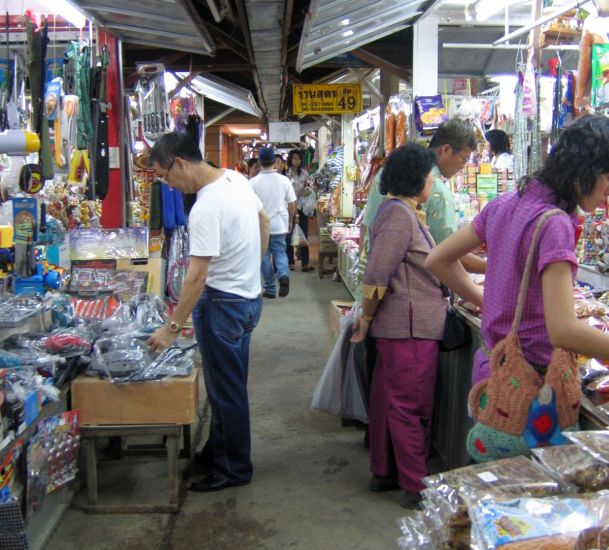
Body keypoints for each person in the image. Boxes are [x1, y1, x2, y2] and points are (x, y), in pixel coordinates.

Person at [426, 115, 609, 453]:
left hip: (491, 369)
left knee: (495, 479)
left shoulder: (506, 203)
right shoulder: (555, 224)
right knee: (528, 492)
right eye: (608, 178)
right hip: (531, 385)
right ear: (587, 170)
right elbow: (564, 331)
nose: (608, 193)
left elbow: (437, 259)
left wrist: (486, 300)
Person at [147, 132, 270, 492]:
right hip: (247, 301)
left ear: (180, 163)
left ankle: (234, 468)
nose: (168, 185)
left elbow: (197, 275)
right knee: (226, 386)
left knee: (226, 392)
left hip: (221, 306)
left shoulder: (204, 208)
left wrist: (172, 327)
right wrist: (253, 266)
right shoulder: (236, 179)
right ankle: (218, 450)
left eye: (165, 176)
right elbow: (263, 223)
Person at [350, 143, 447, 509]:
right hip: (407, 328)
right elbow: (378, 274)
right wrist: (368, 318)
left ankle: (385, 471)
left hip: (403, 326)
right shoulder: (399, 216)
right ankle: (414, 484)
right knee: (410, 406)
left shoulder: (406, 213)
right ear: (417, 179)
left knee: (389, 401)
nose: (433, 185)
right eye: (430, 177)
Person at [420, 119, 486, 273]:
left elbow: (366, 226)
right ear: (445, 150)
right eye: (464, 158)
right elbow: (450, 254)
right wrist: (494, 270)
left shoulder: (390, 169)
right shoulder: (436, 190)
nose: (464, 165)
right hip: (411, 286)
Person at [250, 146, 297, 299]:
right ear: (274, 162)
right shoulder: (284, 180)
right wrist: (290, 221)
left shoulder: (253, 182)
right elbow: (292, 204)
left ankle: (270, 289)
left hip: (259, 226)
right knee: (280, 252)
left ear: (259, 162)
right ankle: (283, 274)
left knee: (264, 256)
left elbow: (249, 206)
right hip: (279, 224)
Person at [286, 149, 314, 272]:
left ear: (301, 160)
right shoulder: (286, 174)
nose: (296, 161)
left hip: (302, 207)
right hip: (289, 207)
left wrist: (307, 189)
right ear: (290, 160)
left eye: (298, 158)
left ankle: (305, 262)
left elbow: (309, 186)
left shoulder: (304, 173)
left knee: (304, 234)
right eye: (294, 158)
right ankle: (290, 262)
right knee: (288, 234)